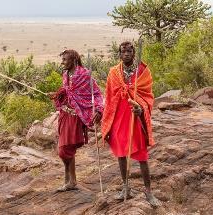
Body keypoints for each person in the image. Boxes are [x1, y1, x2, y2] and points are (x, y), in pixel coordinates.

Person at [101, 41, 161, 207]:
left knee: (142, 156)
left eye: (129, 51)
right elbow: (109, 96)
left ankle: (148, 192)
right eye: (123, 51)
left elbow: (148, 97)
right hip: (119, 118)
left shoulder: (143, 72)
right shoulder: (114, 72)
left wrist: (140, 109)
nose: (126, 53)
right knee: (121, 153)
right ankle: (125, 187)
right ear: (119, 54)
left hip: (135, 119)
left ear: (134, 53)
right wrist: (102, 113)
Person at [49, 49, 103, 192]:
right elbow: (67, 91)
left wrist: (98, 110)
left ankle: (70, 181)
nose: (62, 62)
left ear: (73, 60)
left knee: (65, 149)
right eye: (62, 60)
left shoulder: (84, 74)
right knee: (65, 149)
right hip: (64, 114)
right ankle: (70, 181)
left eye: (65, 60)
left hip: (75, 116)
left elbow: (96, 93)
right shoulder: (66, 74)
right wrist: (56, 94)